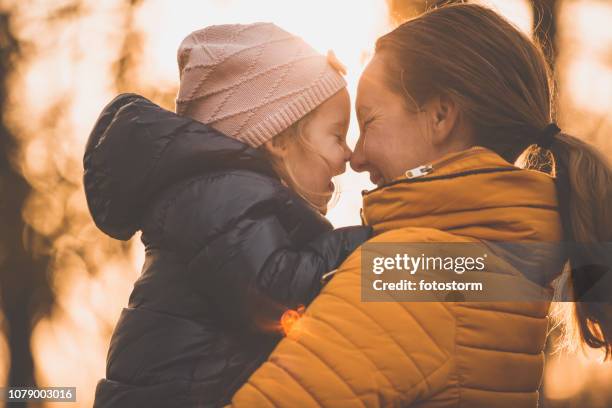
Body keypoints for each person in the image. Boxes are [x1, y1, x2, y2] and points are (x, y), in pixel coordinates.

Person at [228, 4, 612, 407]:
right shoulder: (498, 267)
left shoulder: (415, 272)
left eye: (370, 121)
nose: (356, 158)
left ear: (441, 116)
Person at [84, 23, 371, 407]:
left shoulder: (227, 194)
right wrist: (368, 243)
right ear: (279, 138)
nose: (348, 156)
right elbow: (272, 290)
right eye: (337, 135)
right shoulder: (219, 195)